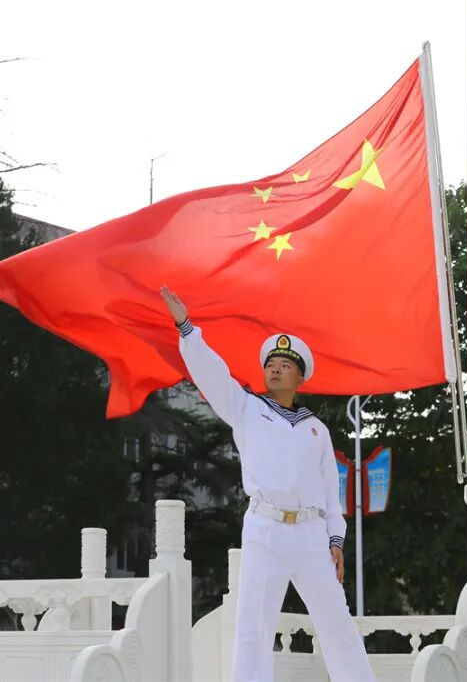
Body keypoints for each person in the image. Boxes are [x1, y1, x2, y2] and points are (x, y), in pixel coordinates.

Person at [159, 286, 375, 682]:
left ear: (300, 376)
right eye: (271, 363)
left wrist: (336, 540)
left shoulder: (317, 429)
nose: (275, 368)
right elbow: (214, 375)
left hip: (311, 534)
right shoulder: (246, 408)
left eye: (285, 364)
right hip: (265, 527)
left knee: (337, 625)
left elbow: (331, 494)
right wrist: (187, 328)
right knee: (253, 628)